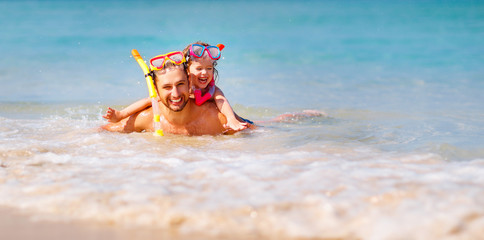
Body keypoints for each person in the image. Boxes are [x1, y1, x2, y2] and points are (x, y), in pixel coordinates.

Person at [103, 41, 248, 131]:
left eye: (209, 69)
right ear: (187, 72)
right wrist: (122, 114)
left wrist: (231, 119)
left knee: (250, 122)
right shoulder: (184, 88)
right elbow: (150, 100)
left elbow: (222, 101)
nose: (204, 73)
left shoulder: (212, 91)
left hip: (224, 119)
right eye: (198, 69)